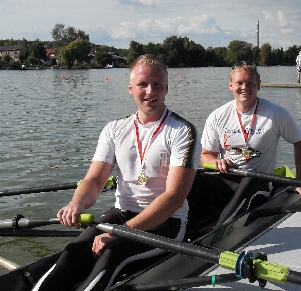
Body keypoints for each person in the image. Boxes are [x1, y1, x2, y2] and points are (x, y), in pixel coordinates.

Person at [33, 54, 202, 291]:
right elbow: (94, 180)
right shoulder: (114, 129)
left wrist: (122, 234)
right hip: (121, 213)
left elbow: (174, 197)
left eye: (157, 85)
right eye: (142, 84)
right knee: (72, 253)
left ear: (166, 89)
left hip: (167, 222)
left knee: (111, 255)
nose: (150, 91)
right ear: (131, 88)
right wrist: (77, 204)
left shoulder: (182, 131)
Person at [189, 61, 301, 229]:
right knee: (189, 178)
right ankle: (184, 229)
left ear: (258, 85)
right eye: (239, 83)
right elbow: (205, 156)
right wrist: (215, 162)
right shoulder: (217, 116)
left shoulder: (275, 114)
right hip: (228, 179)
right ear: (231, 86)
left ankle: (217, 233)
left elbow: (300, 142)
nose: (244, 87)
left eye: (250, 83)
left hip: (260, 182)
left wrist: (300, 180)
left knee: (250, 180)